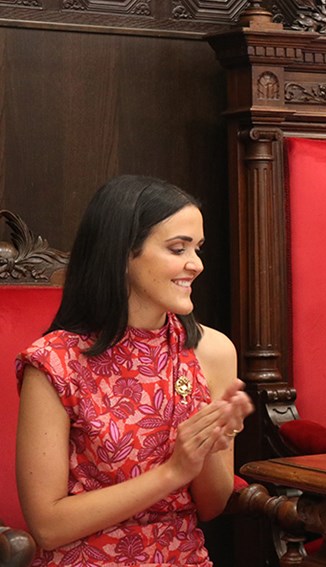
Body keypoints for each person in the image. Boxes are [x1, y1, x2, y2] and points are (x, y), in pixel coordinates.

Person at [15, 175, 253, 565]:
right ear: (123, 254)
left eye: (197, 249)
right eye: (178, 248)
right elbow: (47, 527)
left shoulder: (212, 351)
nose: (196, 265)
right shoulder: (54, 361)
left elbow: (212, 506)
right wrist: (173, 472)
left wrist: (209, 446)